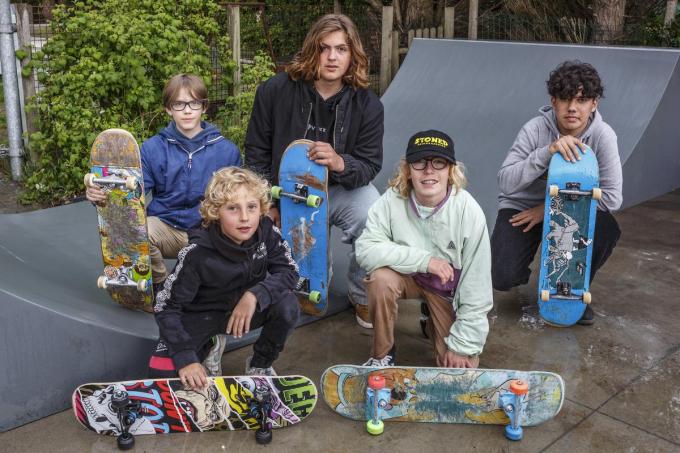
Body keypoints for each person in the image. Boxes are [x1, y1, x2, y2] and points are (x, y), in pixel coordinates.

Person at [244, 14, 384, 329]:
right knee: (303, 290)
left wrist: (340, 162)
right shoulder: (275, 90)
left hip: (341, 189)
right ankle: (313, 276)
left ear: (353, 55)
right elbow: (256, 152)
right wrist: (268, 201)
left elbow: (370, 164)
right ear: (312, 50)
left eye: (341, 49)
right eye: (324, 48)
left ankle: (362, 295)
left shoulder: (368, 105)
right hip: (290, 191)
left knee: (374, 214)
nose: (332, 57)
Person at [491, 60, 622, 326]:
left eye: (582, 100)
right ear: (553, 101)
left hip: (568, 214)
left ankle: (572, 290)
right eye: (564, 99)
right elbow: (505, 182)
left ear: (594, 103)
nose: (572, 108)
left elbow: (612, 197)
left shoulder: (603, 136)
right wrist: (546, 152)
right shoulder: (535, 129)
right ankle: (544, 273)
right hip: (523, 208)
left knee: (607, 228)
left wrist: (550, 211)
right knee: (501, 277)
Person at [85, 73, 242, 291]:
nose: (187, 110)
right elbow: (132, 194)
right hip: (167, 228)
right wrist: (100, 196)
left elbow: (238, 200)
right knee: (133, 229)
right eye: (179, 104)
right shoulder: (152, 148)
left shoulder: (226, 151)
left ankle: (206, 281)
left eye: (194, 103)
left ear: (204, 107)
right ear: (169, 108)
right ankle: (160, 285)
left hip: (208, 231)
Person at [148, 167, 300, 387]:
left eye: (251, 207)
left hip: (242, 311)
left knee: (287, 304)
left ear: (262, 208)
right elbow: (165, 306)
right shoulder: (197, 252)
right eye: (232, 209)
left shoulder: (265, 231)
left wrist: (255, 295)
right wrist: (185, 358)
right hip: (202, 316)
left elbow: (289, 271)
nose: (245, 218)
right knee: (161, 377)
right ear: (216, 212)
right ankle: (209, 345)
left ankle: (260, 365)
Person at [355, 130, 493, 368]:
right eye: (419, 162)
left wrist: (462, 346)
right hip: (407, 275)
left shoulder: (468, 211)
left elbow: (477, 287)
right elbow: (365, 249)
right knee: (380, 279)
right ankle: (382, 355)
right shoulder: (391, 201)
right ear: (407, 170)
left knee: (458, 371)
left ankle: (432, 323)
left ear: (451, 170)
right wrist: (425, 261)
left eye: (438, 162)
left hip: (445, 289)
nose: (429, 170)